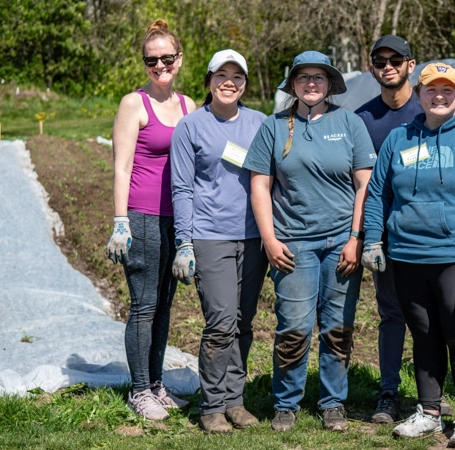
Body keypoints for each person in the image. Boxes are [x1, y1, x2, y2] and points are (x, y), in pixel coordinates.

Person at [361, 62, 455, 447]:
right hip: (408, 255)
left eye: (447, 90)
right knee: (423, 334)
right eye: (431, 90)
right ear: (420, 93)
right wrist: (373, 240)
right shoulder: (399, 139)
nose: (439, 97)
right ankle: (428, 411)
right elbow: (378, 193)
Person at [244, 50, 376, 432]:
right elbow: (260, 185)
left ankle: (334, 401)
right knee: (294, 326)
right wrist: (269, 239)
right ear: (294, 85)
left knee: (338, 326)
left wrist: (355, 238)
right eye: (304, 78)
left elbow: (364, 185)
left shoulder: (350, 123)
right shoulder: (274, 126)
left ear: (330, 84)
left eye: (319, 77)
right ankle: (286, 403)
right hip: (292, 245)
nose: (312, 84)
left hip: (340, 242)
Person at [356, 35, 455, 424]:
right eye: (380, 60)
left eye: (395, 59)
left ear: (410, 65)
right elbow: (363, 184)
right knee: (392, 314)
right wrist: (367, 236)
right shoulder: (364, 120)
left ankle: (432, 394)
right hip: (389, 237)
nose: (387, 66)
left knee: (434, 317)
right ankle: (388, 394)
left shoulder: (434, 105)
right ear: (372, 68)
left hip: (435, 237)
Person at [169, 49, 269, 434]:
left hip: (253, 236)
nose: (230, 82)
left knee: (244, 321)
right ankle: (211, 406)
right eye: (221, 75)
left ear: (244, 83)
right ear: (209, 80)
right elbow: (181, 187)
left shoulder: (260, 123)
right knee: (221, 322)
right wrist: (184, 242)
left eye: (237, 76)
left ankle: (234, 400)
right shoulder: (191, 127)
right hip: (210, 236)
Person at [105, 18, 196, 421]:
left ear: (179, 59)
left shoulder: (189, 105)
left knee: (164, 306)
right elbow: (122, 166)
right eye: (151, 60)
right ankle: (138, 391)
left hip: (176, 221)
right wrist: (120, 221)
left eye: (166, 58)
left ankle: (156, 384)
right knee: (143, 306)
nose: (159, 66)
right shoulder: (133, 104)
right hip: (141, 218)